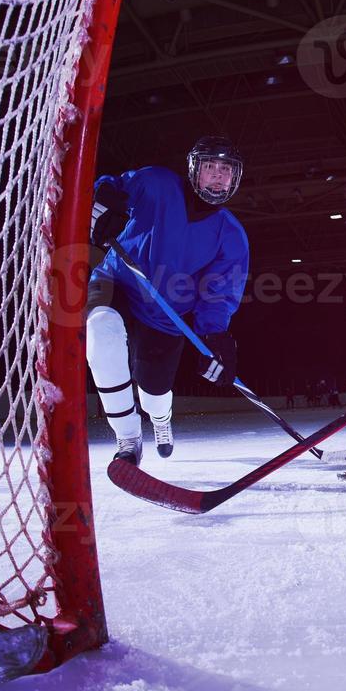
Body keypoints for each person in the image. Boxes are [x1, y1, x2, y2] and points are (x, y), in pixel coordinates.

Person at [86, 137, 250, 464]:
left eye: (225, 170)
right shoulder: (155, 182)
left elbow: (219, 292)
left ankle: (161, 421)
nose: (218, 176)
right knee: (100, 327)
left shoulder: (230, 234)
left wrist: (214, 335)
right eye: (209, 168)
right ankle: (128, 437)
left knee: (154, 391)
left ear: (235, 178)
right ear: (194, 170)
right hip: (117, 280)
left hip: (165, 313)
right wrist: (103, 200)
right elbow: (110, 187)